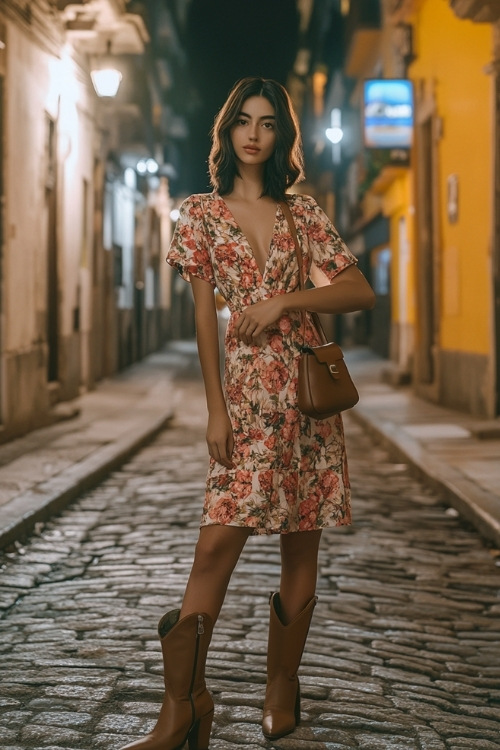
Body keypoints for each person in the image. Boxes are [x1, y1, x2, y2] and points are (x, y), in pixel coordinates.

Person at [120, 76, 375, 750]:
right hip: (244, 399)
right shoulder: (200, 214)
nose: (254, 133)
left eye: (266, 122)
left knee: (301, 543)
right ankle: (184, 707)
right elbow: (206, 319)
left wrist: (287, 303)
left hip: (306, 400)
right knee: (214, 546)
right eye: (243, 120)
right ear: (227, 130)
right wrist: (214, 411)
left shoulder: (304, 213)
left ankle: (279, 689)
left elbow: (357, 289)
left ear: (280, 135)